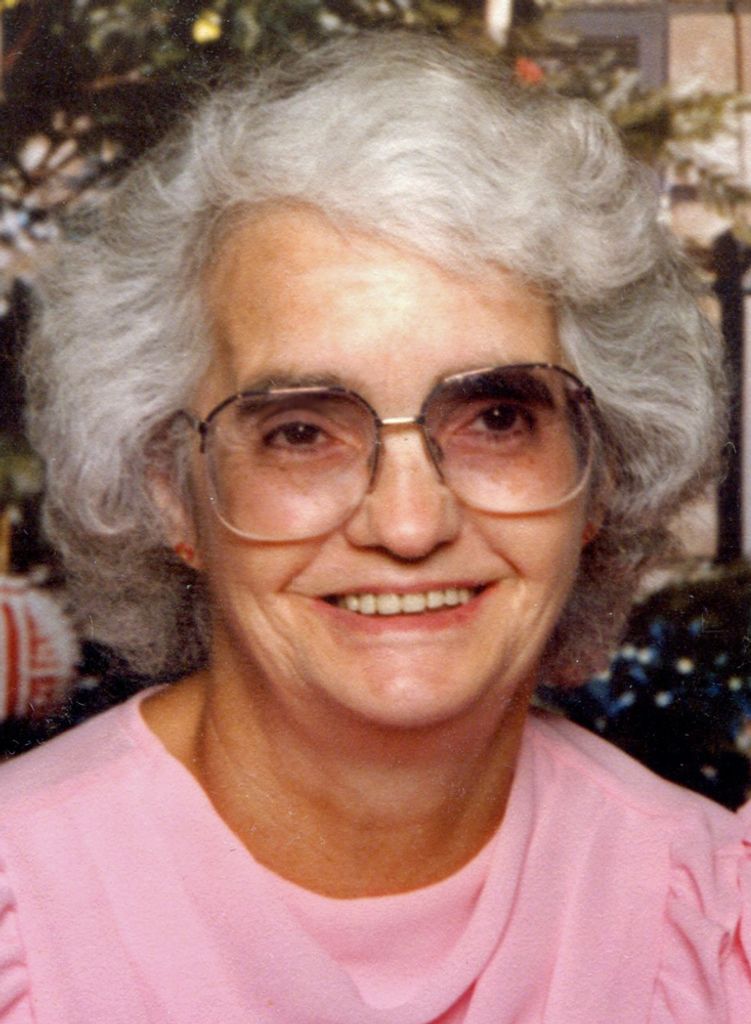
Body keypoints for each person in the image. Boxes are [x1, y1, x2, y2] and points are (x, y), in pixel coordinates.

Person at [1, 30, 749, 1023]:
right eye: (300, 431)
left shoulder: (711, 933)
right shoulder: (20, 922)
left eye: (496, 419)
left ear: (599, 472)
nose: (407, 523)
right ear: (172, 493)